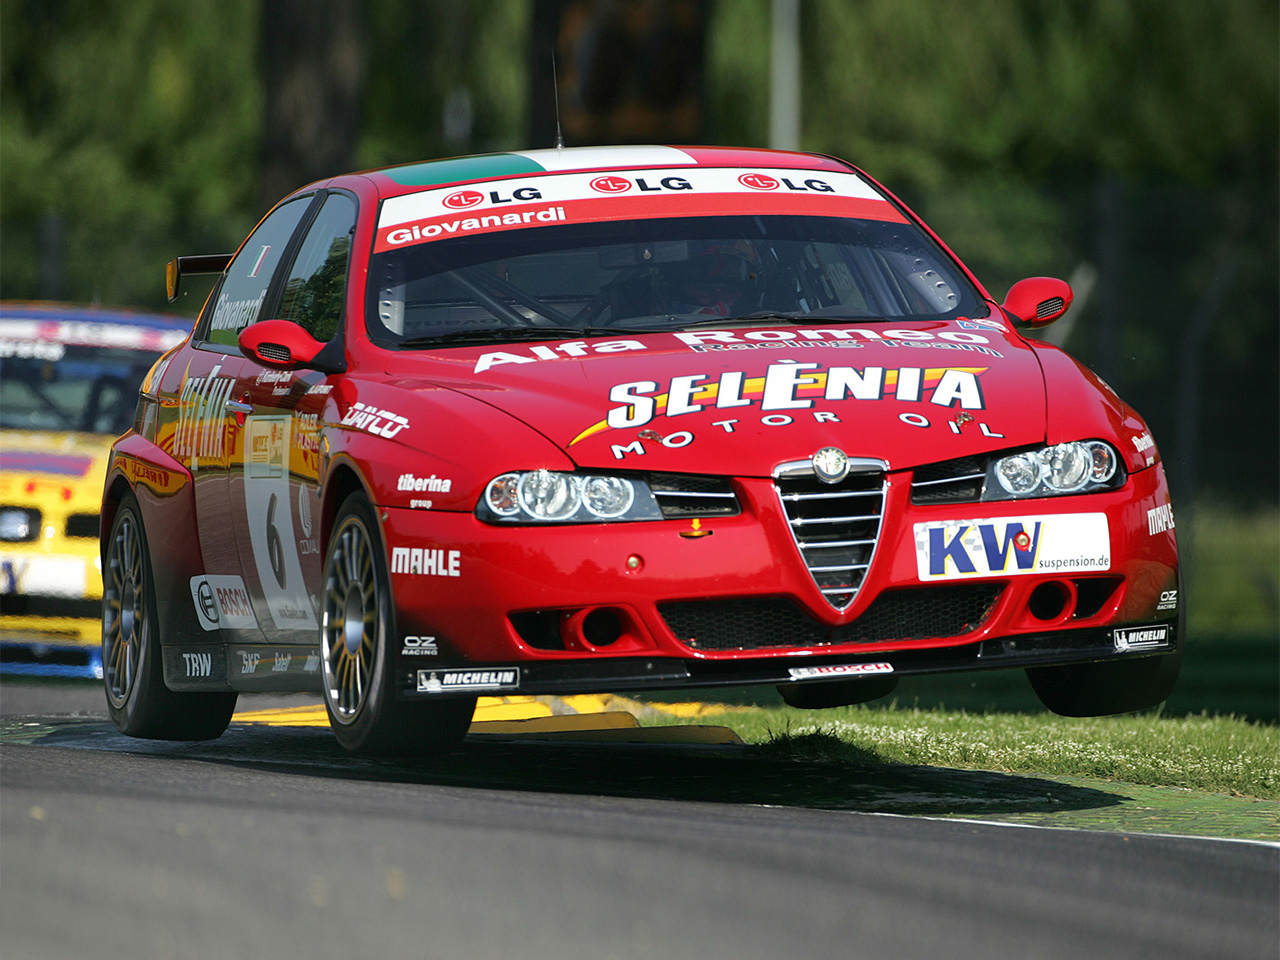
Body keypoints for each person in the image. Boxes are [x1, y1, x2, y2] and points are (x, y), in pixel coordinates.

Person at [666, 240, 761, 316]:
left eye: (729, 291)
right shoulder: (685, 294)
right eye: (705, 290)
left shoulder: (750, 306)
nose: (720, 297)